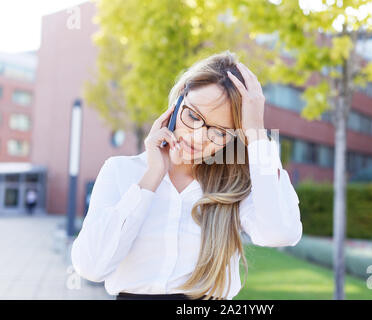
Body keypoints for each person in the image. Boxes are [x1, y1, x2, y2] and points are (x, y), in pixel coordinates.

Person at [71, 50, 302, 300]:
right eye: (193, 116)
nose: (198, 136)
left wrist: (256, 132)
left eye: (220, 132)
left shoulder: (237, 183)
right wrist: (152, 177)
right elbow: (91, 267)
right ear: (178, 101)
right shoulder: (121, 171)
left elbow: (280, 233)